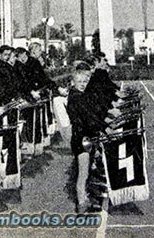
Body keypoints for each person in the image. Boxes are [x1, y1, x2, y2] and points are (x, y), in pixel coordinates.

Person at [66, 62, 93, 213]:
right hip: (81, 138)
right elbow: (86, 119)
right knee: (83, 172)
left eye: (85, 82)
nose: (83, 84)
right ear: (73, 82)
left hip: (83, 137)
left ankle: (83, 198)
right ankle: (81, 202)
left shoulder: (78, 94)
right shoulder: (77, 97)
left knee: (85, 170)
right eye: (80, 82)